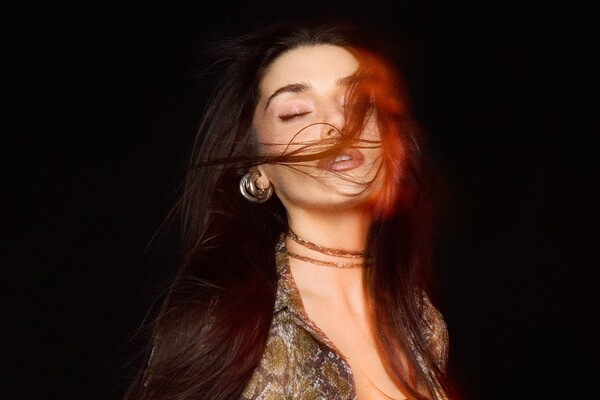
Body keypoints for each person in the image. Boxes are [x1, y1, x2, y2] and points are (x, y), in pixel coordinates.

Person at [124, 20, 455, 400]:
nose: (337, 123)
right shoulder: (226, 324)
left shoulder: (422, 322)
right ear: (259, 170)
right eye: (296, 112)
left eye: (357, 103)